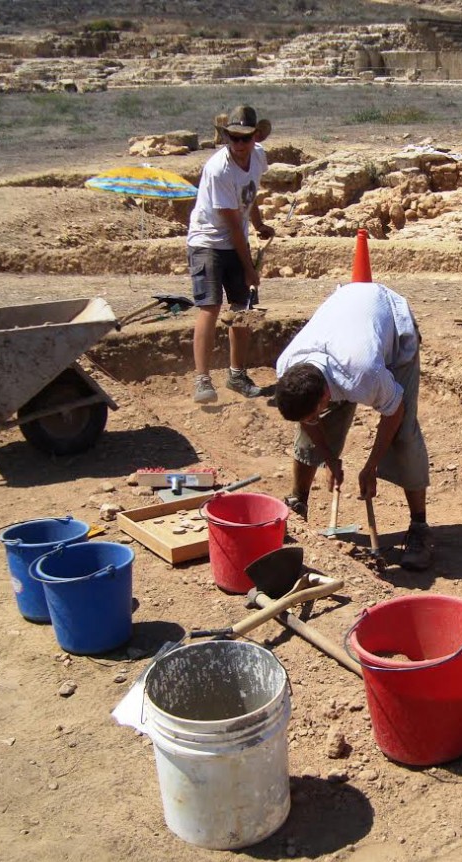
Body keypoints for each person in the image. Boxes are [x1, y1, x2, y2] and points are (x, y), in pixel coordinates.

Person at [273, 281, 433, 571]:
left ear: (325, 396)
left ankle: (419, 526)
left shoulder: (364, 375)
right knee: (310, 434)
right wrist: (330, 458)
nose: (311, 418)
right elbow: (307, 419)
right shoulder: (288, 366)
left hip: (390, 323)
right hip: (346, 315)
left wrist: (371, 466)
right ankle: (298, 504)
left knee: (403, 436)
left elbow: (394, 412)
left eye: (314, 411)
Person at [187, 104, 275, 403]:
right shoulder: (218, 169)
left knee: (243, 309)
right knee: (210, 307)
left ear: (256, 137)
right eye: (233, 138)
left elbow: (249, 194)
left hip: (236, 238)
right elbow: (231, 222)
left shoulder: (258, 157)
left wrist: (260, 223)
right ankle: (202, 380)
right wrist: (249, 267)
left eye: (245, 138)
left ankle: (237, 375)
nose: (239, 145)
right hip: (208, 241)